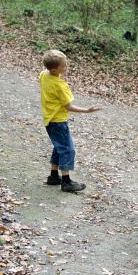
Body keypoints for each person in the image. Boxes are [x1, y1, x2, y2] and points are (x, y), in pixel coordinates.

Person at [39, 50, 101, 193]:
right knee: (68, 149)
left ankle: (53, 176)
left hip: (49, 120)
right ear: (54, 69)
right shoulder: (60, 85)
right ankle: (66, 182)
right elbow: (68, 106)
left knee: (58, 147)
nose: (66, 68)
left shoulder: (43, 75)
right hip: (58, 122)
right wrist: (87, 110)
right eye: (64, 66)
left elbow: (46, 71)